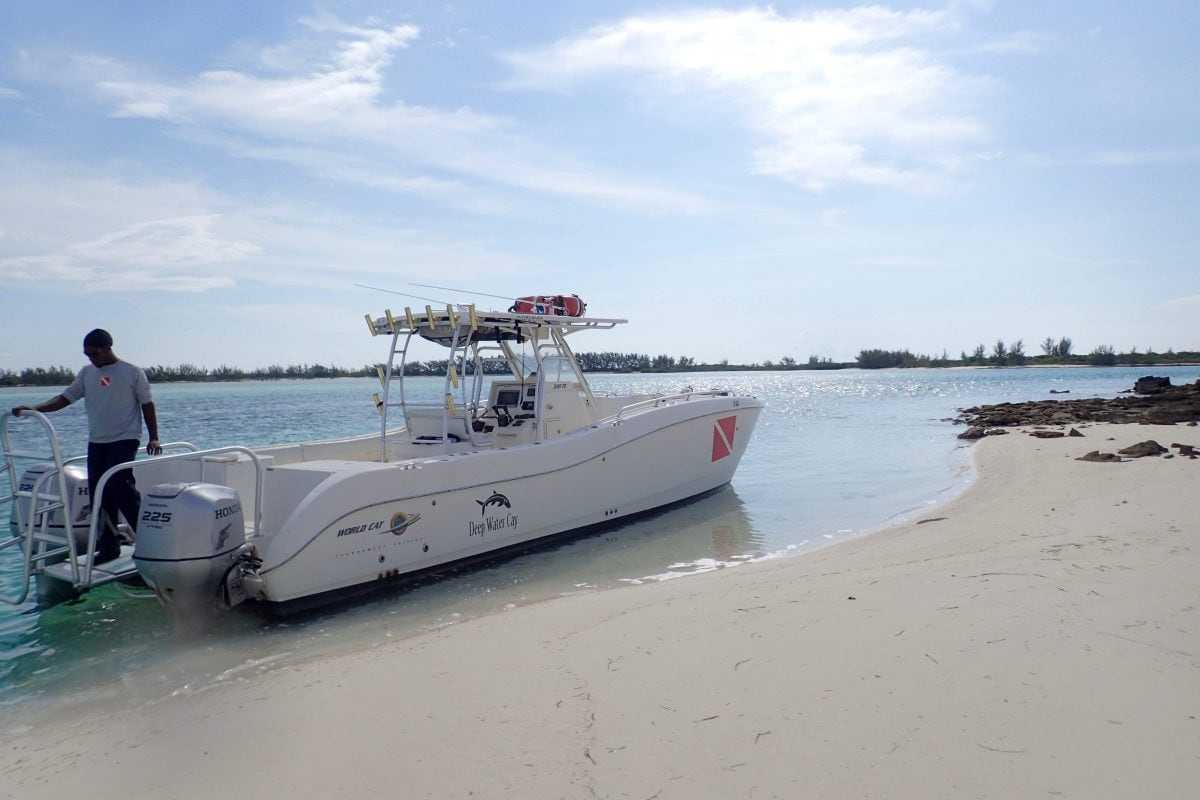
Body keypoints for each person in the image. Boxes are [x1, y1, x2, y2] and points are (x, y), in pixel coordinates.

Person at [11, 329, 162, 563]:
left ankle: (149, 542)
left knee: (120, 485)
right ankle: (109, 546)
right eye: (87, 354)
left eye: (94, 353)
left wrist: (154, 437)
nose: (91, 358)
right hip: (97, 441)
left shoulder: (132, 372)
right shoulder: (87, 373)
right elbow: (65, 398)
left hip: (126, 438)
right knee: (98, 492)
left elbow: (147, 404)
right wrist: (35, 408)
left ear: (108, 347)